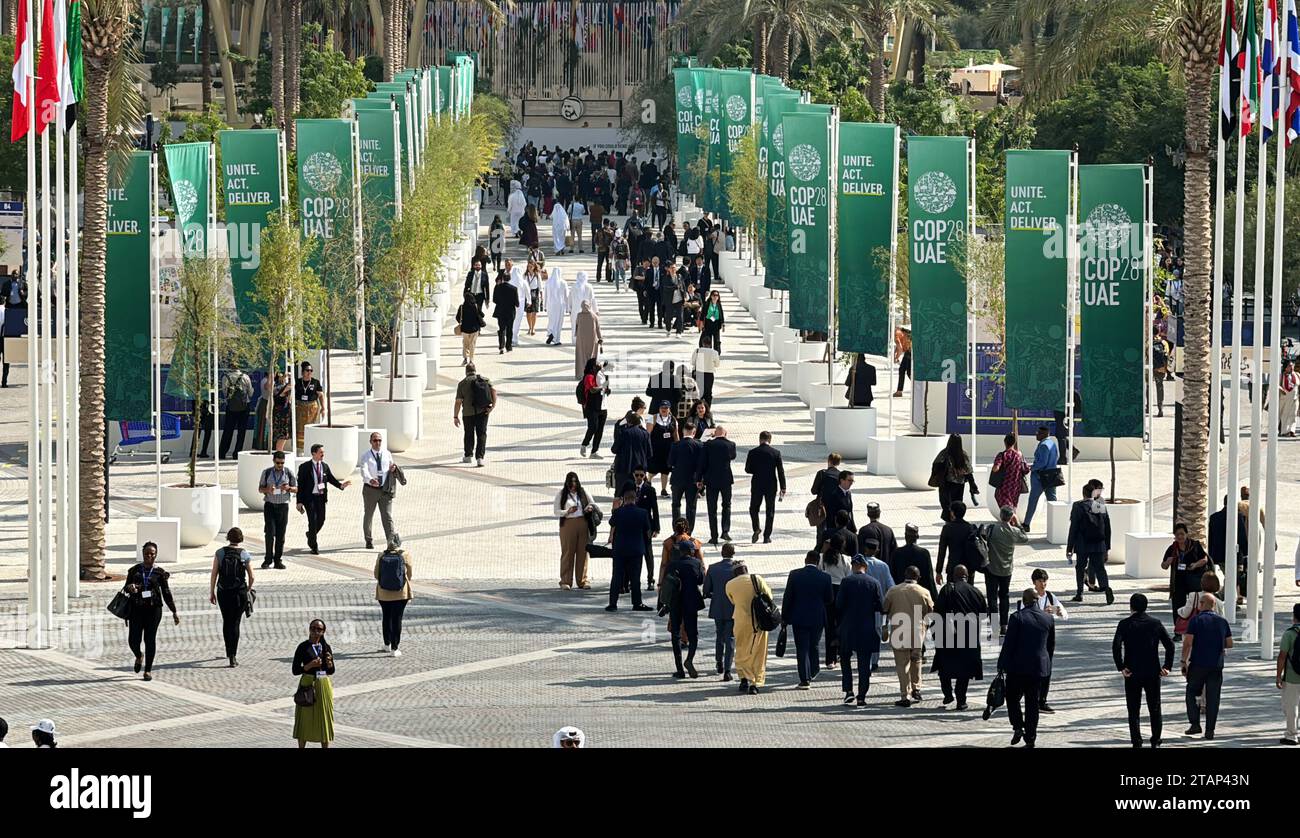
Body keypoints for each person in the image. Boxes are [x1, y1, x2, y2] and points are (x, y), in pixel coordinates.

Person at [1113, 593, 1175, 748]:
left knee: (1133, 709)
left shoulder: (1124, 624)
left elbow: (1116, 646)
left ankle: (1137, 741)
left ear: (1131, 606)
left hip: (1132, 671)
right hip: (1152, 671)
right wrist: (1167, 666)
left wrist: (1121, 666)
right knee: (1155, 708)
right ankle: (1155, 740)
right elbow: (1170, 645)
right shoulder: (1155, 623)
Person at [998, 589, 1056, 747]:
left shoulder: (1017, 617)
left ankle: (1017, 726)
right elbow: (1050, 646)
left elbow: (1008, 645)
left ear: (1024, 601)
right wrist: (1047, 665)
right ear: (1037, 600)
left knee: (1012, 698)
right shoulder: (1048, 618)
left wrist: (1001, 665)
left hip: (1017, 668)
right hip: (1038, 668)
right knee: (1032, 704)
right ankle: (1031, 738)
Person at [931, 564, 987, 710]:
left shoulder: (947, 590)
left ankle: (948, 693)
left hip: (947, 635)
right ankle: (961, 700)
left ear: (953, 576)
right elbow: (984, 614)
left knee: (944, 665)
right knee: (965, 669)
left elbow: (937, 611)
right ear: (967, 576)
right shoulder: (976, 591)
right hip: (968, 636)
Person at [122, 542, 180, 681]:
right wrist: (130, 587)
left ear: (156, 555)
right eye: (147, 553)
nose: (149, 556)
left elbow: (166, 592)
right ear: (142, 554)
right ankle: (138, 655)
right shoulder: (134, 570)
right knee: (133, 640)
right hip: (136, 609)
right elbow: (125, 589)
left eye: (152, 554)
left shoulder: (159, 573)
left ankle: (148, 670)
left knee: (150, 639)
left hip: (153, 610)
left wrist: (174, 611)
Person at [837, 554, 886, 705]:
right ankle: (861, 696)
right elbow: (880, 606)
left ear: (853, 566)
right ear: (865, 567)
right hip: (866, 628)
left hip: (848, 628)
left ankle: (848, 690)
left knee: (845, 659)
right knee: (864, 664)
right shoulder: (874, 583)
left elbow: (838, 605)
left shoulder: (846, 582)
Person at [1182, 593, 1233, 739]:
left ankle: (1195, 723)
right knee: (1213, 698)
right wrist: (1216, 643)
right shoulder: (1222, 622)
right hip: (1216, 665)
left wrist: (1183, 661)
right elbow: (1229, 643)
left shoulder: (1196, 621)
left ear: (1202, 604)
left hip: (1198, 663)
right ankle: (1210, 730)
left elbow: (1188, 642)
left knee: (1191, 692)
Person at [782, 551, 834, 689]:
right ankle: (814, 669)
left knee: (802, 648)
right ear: (818, 562)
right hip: (817, 617)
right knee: (814, 645)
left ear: (805, 560)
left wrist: (785, 617)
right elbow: (829, 599)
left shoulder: (794, 575)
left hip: (799, 617)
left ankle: (804, 679)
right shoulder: (825, 577)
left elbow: (788, 597)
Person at [1018, 568, 1067, 711]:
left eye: (1045, 580)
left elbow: (1065, 615)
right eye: (1040, 581)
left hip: (1048, 635)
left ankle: (1042, 700)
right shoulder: (1028, 597)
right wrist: (1040, 614)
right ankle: (1030, 696)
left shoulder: (1050, 597)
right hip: (1032, 635)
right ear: (1034, 582)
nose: (1043, 583)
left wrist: (1057, 611)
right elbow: (1022, 615)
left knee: (1047, 667)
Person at [884, 565, 934, 707]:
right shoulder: (924, 592)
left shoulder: (893, 591)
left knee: (901, 664)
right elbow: (930, 611)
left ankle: (904, 695)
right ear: (918, 577)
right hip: (918, 631)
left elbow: (885, 607)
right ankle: (916, 688)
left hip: (899, 630)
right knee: (916, 660)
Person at [209, 527, 255, 667]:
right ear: (240, 539)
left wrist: (212, 592)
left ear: (228, 538)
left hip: (223, 591)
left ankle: (228, 651)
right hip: (239, 592)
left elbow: (214, 573)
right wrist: (247, 588)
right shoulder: (244, 554)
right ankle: (233, 656)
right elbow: (252, 576)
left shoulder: (220, 553)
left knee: (226, 621)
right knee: (235, 623)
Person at [726, 562, 773, 694]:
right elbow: (769, 596)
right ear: (746, 569)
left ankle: (743, 679)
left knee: (741, 650)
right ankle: (755, 682)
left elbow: (733, 601)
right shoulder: (757, 579)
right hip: (759, 621)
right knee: (759, 651)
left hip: (740, 621)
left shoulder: (730, 584)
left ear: (735, 573)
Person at [296, 443, 351, 555]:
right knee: (312, 520)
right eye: (321, 452)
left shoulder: (325, 466)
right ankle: (314, 546)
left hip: (321, 497)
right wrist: (299, 502)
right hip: (309, 498)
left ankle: (311, 534)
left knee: (321, 520)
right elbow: (300, 486)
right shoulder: (304, 467)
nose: (323, 454)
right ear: (313, 454)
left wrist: (340, 485)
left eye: (323, 452)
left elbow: (331, 479)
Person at [1067, 481, 1115, 605]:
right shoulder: (1100, 505)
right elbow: (1107, 528)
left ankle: (1080, 593)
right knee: (1100, 568)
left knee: (1080, 568)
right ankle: (1106, 588)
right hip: (1099, 544)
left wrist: (1069, 547)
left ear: (1083, 493)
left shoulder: (1078, 506)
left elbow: (1074, 528)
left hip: (1082, 544)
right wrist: (1107, 547)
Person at [607, 486, 654, 612]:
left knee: (617, 576)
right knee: (635, 578)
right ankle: (637, 603)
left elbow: (611, 523)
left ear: (623, 499)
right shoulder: (642, 513)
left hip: (620, 549)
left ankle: (613, 603)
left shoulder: (618, 512)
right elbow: (647, 530)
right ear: (636, 499)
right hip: (636, 549)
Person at [1161, 522, 1213, 632]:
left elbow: (1204, 559)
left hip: (1194, 580)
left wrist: (1195, 565)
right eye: (1177, 534)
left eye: (1182, 534)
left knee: (1195, 605)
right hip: (1178, 582)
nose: (1180, 537)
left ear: (1186, 534)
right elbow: (1163, 566)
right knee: (1178, 607)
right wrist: (1168, 562)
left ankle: (1197, 629)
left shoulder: (1195, 545)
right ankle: (1179, 630)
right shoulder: (1172, 548)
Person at [665, 539, 706, 678]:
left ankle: (679, 669)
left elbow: (667, 584)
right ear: (691, 551)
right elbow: (701, 580)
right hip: (691, 602)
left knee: (675, 633)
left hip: (676, 602)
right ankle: (689, 659)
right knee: (692, 633)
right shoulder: (697, 563)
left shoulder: (673, 564)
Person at [292, 619, 336, 748]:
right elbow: (295, 670)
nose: (315, 632)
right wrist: (309, 666)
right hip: (307, 682)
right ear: (309, 629)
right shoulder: (303, 647)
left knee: (324, 716)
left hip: (323, 684)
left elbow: (331, 671)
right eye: (313, 628)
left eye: (319, 629)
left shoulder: (326, 647)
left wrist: (329, 664)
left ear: (323, 632)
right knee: (305, 717)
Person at [986, 507, 1029, 635]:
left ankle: (994, 626)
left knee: (992, 598)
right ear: (1011, 517)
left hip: (991, 567)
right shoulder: (1014, 531)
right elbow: (1025, 538)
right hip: (1006, 570)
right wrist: (1018, 524)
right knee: (1004, 596)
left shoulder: (992, 529)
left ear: (1000, 515)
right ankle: (1004, 625)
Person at [359, 432, 402, 549]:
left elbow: (390, 466)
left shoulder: (387, 454)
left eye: (379, 440)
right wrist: (370, 479)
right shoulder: (366, 456)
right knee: (368, 515)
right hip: (370, 490)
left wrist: (393, 468)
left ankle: (391, 541)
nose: (377, 443)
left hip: (385, 490)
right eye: (375, 440)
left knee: (387, 516)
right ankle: (368, 539)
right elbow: (364, 470)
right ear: (370, 442)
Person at [695, 425, 737, 546]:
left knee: (712, 509)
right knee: (727, 505)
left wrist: (699, 479)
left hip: (711, 480)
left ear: (714, 433)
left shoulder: (708, 445)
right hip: (726, 480)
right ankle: (725, 531)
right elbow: (733, 456)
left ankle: (714, 536)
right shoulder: (731, 444)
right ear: (726, 433)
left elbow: (702, 463)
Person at [555, 472, 595, 590]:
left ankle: (582, 580)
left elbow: (592, 503)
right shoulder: (562, 494)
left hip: (582, 522)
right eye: (570, 483)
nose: (573, 486)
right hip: (568, 524)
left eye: (575, 482)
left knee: (583, 552)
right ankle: (565, 580)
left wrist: (589, 507)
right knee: (568, 551)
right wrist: (567, 511)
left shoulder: (583, 492)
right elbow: (556, 511)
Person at [744, 431, 786, 544]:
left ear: (760, 439)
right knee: (770, 510)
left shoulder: (753, 452)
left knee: (753, 508)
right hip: (771, 484)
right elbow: (780, 471)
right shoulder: (776, 453)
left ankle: (756, 528)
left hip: (757, 484)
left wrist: (757, 469)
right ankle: (767, 536)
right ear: (770, 440)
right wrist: (783, 487)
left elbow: (747, 469)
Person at [704, 542, 738, 679]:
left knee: (719, 636)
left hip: (718, 607)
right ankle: (728, 669)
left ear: (721, 553)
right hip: (733, 607)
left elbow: (706, 590)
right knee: (730, 638)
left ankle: (719, 662)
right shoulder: (737, 568)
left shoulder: (713, 568)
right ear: (733, 553)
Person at [375, 538, 414, 656]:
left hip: (383, 592)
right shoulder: (405, 554)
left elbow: (376, 574)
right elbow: (410, 573)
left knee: (386, 617)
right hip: (400, 593)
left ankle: (386, 644)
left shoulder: (381, 555)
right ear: (399, 543)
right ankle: (395, 648)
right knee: (397, 619)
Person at [454, 364, 497, 468]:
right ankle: (480, 458)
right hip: (483, 412)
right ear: (475, 370)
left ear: (466, 371)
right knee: (481, 434)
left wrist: (455, 416)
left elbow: (458, 402)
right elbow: (494, 392)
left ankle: (468, 456)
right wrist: (492, 407)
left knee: (469, 434)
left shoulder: (462, 384)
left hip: (468, 413)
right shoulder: (485, 380)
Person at [258, 450, 296, 568]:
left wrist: (289, 488)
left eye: (282, 463)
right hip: (270, 505)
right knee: (269, 533)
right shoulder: (267, 472)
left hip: (283, 506)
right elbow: (260, 489)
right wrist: (268, 490)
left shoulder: (288, 473)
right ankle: (268, 559)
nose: (280, 465)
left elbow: (296, 488)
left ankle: (278, 560)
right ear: (274, 461)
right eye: (278, 463)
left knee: (281, 535)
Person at [1021, 426, 1060, 533]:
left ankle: (1026, 524)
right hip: (1052, 475)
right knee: (1053, 501)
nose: (1036, 435)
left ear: (1044, 434)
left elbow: (1042, 462)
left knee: (1033, 501)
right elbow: (1056, 457)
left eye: (1038, 433)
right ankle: (1057, 524)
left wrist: (1031, 468)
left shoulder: (1043, 445)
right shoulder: (1052, 443)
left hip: (1040, 477)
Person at [932, 433, 979, 523]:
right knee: (957, 505)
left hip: (946, 485)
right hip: (959, 485)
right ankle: (955, 523)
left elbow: (935, 466)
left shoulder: (944, 454)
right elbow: (969, 471)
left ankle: (949, 524)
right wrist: (972, 484)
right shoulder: (963, 455)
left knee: (947, 505)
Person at [668, 419, 704, 531]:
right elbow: (701, 464)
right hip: (692, 480)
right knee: (691, 506)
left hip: (677, 479)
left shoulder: (676, 445)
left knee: (676, 505)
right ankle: (689, 530)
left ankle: (677, 529)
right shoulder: (699, 445)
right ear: (694, 432)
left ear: (683, 431)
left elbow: (670, 462)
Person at [632, 468, 662, 591]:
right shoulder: (630, 487)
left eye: (641, 475)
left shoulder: (649, 490)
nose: (639, 477)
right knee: (634, 554)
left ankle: (650, 579)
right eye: (637, 475)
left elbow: (655, 509)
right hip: (633, 526)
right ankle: (632, 579)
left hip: (646, 527)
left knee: (648, 554)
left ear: (645, 476)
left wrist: (656, 527)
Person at [891, 523, 939, 600]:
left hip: (901, 595)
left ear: (905, 536)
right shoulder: (924, 553)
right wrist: (935, 598)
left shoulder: (897, 553)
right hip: (919, 595)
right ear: (917, 536)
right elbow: (929, 578)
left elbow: (892, 575)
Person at [611, 408, 651, 498]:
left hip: (623, 468)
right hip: (640, 470)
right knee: (639, 494)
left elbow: (614, 449)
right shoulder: (645, 434)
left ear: (629, 422)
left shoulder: (624, 433)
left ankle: (618, 511)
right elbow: (649, 453)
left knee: (620, 493)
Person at [936, 500, 976, 584]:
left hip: (953, 567)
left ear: (953, 512)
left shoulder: (947, 528)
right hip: (968, 569)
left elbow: (942, 551)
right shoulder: (970, 528)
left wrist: (939, 571)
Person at [218, 365, 253, 459]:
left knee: (228, 430)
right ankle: (237, 454)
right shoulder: (245, 377)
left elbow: (225, 393)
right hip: (244, 407)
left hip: (231, 407)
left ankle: (222, 453)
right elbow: (250, 392)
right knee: (241, 432)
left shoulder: (226, 377)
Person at [1277, 603, 1300, 745]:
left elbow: (1282, 656)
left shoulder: (1290, 633)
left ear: (1294, 617)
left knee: (1291, 707)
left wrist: (1278, 676)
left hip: (1292, 676)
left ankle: (1291, 735)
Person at [646, 400, 679, 498]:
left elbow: (675, 434)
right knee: (653, 470)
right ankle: (648, 482)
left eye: (666, 408)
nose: (664, 410)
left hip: (668, 450)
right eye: (662, 408)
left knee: (665, 470)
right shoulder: (653, 418)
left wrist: (678, 447)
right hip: (655, 449)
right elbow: (647, 434)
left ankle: (663, 489)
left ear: (669, 409)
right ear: (659, 409)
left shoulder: (673, 420)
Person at [990, 433, 1029, 513]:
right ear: (1014, 443)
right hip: (1016, 487)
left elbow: (996, 468)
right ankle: (1012, 522)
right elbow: (1026, 470)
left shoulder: (1002, 455)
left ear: (1005, 442)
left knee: (1006, 507)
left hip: (1004, 486)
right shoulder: (1020, 455)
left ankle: (1011, 522)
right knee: (1013, 506)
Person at [579, 358, 609, 458]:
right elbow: (592, 390)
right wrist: (603, 387)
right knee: (593, 427)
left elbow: (604, 389)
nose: (600, 365)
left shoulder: (601, 375)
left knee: (600, 430)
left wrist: (607, 390)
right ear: (593, 366)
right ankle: (584, 444)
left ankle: (594, 451)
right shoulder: (589, 377)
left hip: (603, 406)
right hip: (592, 407)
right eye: (597, 364)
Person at [293, 361, 325, 452]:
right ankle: (300, 449)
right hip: (299, 407)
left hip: (312, 408)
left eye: (311, 370)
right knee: (299, 427)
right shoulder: (298, 382)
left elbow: (321, 395)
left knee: (310, 426)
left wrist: (323, 408)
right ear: (303, 371)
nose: (309, 372)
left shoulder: (315, 382)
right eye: (307, 370)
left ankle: (310, 446)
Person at [857, 502, 897, 573]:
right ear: (879, 513)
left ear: (868, 514)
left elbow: (860, 552)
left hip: (868, 571)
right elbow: (894, 551)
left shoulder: (864, 530)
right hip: (886, 570)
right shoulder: (888, 530)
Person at [454, 290, 485, 366]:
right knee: (472, 344)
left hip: (465, 329)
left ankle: (465, 358)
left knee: (465, 344)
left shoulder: (462, 307)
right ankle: (471, 360)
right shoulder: (476, 306)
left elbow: (457, 318)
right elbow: (482, 315)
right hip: (474, 329)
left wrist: (462, 322)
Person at [492, 270, 520, 353]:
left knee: (501, 329)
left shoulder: (497, 287)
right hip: (510, 312)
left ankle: (501, 345)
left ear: (503, 278)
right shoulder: (514, 289)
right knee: (509, 329)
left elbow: (494, 300)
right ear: (510, 278)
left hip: (500, 311)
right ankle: (509, 346)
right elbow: (517, 303)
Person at [544, 266, 570, 346]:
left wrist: (545, 306)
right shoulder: (563, 282)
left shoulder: (548, 282)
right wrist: (568, 307)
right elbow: (566, 295)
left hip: (550, 304)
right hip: (560, 305)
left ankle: (551, 332)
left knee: (551, 320)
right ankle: (556, 339)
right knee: (558, 322)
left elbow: (545, 295)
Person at [510, 264, 530, 345]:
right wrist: (529, 301)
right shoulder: (523, 281)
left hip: (511, 303)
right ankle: (515, 338)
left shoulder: (510, 281)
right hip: (520, 304)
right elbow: (528, 292)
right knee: (518, 321)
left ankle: (511, 337)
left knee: (511, 321)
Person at [1277, 359, 1298, 436]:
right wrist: (1281, 389)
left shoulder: (1297, 375)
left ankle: (1292, 431)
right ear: (1286, 367)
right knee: (1284, 415)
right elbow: (1276, 384)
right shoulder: (1281, 375)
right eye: (1290, 366)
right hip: (1284, 399)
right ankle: (1284, 431)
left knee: (1293, 415)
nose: (1292, 367)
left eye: (1292, 365)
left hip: (1294, 399)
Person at [893, 326, 912, 396]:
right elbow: (898, 345)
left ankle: (918, 386)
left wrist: (896, 357)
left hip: (910, 351)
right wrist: (895, 353)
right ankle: (899, 391)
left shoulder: (895, 334)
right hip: (909, 350)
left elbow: (900, 348)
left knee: (909, 372)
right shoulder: (898, 331)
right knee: (902, 370)